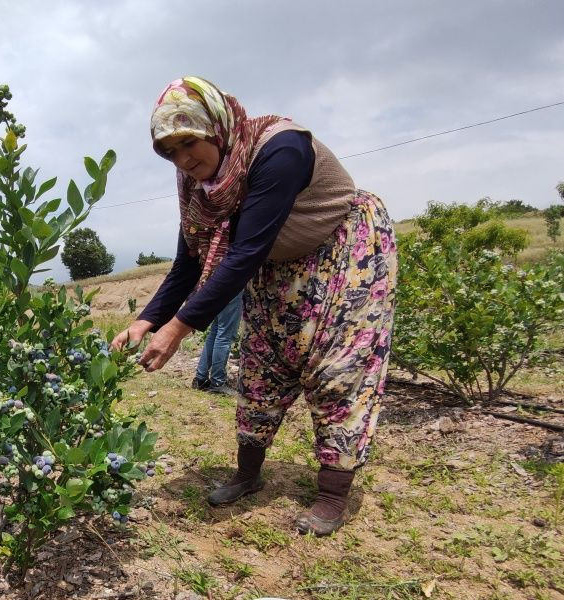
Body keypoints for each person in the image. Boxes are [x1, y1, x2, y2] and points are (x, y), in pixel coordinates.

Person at [111, 77, 398, 536]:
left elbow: (243, 252)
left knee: (338, 371)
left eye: (189, 144)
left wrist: (179, 328)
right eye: (170, 153)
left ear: (214, 126)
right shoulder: (199, 186)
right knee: (262, 367)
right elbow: (189, 261)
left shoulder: (279, 149)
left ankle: (331, 494)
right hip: (273, 266)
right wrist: (146, 321)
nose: (184, 161)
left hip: (343, 253)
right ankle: (247, 474)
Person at [192, 294, 242, 394]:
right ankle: (217, 382)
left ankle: (200, 379)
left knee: (215, 331)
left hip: (221, 286)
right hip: (235, 285)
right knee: (225, 335)